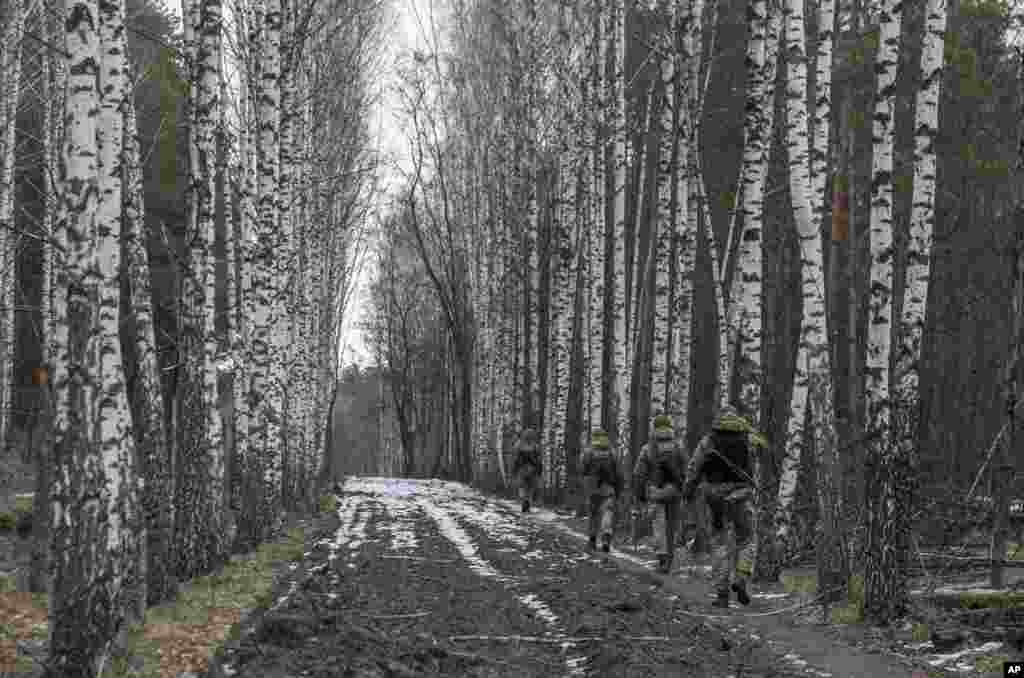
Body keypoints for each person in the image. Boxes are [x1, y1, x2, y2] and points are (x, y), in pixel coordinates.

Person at [681, 404, 766, 608]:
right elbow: (762, 455)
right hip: (742, 494)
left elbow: (694, 468)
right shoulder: (749, 438)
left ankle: (722, 594)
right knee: (747, 539)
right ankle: (742, 577)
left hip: (715, 495)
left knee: (719, 543)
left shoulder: (709, 440)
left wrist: (688, 491)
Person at [633, 414, 687, 574]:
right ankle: (669, 562)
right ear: (671, 427)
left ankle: (662, 558)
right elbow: (687, 470)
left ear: (654, 428)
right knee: (671, 526)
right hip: (675, 491)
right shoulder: (678, 446)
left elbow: (639, 474)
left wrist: (640, 493)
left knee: (658, 523)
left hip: (656, 491)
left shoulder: (648, 448)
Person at [580, 429, 622, 553]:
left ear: (594, 437)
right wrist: (618, 489)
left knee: (593, 514)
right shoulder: (612, 452)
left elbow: (583, 469)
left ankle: (592, 540)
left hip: (593, 488)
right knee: (607, 512)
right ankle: (606, 535)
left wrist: (585, 484)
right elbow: (618, 473)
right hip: (608, 487)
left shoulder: (589, 451)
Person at [512, 427, 542, 512]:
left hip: (522, 468)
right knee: (530, 487)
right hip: (532, 468)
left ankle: (524, 500)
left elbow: (515, 457)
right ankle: (527, 501)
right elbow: (538, 459)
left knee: (522, 486)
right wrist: (539, 470)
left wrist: (514, 469)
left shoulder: (518, 444)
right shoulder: (535, 445)